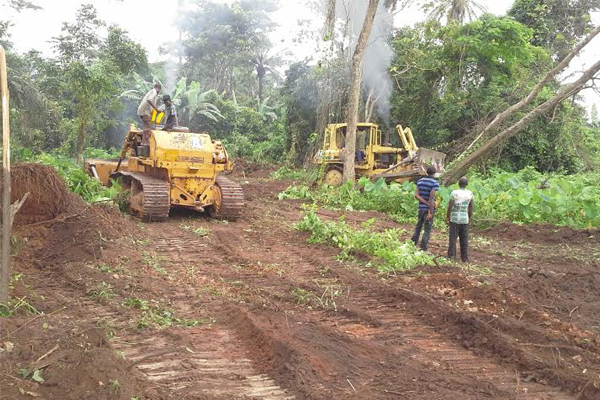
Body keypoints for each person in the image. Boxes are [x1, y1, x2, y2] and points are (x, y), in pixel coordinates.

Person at [411, 165, 439, 251]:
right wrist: (430, 212)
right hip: (429, 208)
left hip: (421, 208)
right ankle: (423, 247)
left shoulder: (420, 181)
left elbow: (416, 195)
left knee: (418, 226)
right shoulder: (434, 183)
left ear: (427, 172)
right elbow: (431, 198)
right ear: (434, 173)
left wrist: (424, 202)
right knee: (427, 229)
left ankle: (412, 244)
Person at [446, 177, 474, 262]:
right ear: (467, 184)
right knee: (464, 239)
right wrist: (469, 217)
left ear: (458, 183)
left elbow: (450, 206)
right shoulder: (470, 194)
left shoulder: (454, 193)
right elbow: (471, 207)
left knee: (453, 238)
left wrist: (448, 217)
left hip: (454, 218)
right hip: (464, 218)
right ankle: (465, 258)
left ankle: (451, 256)